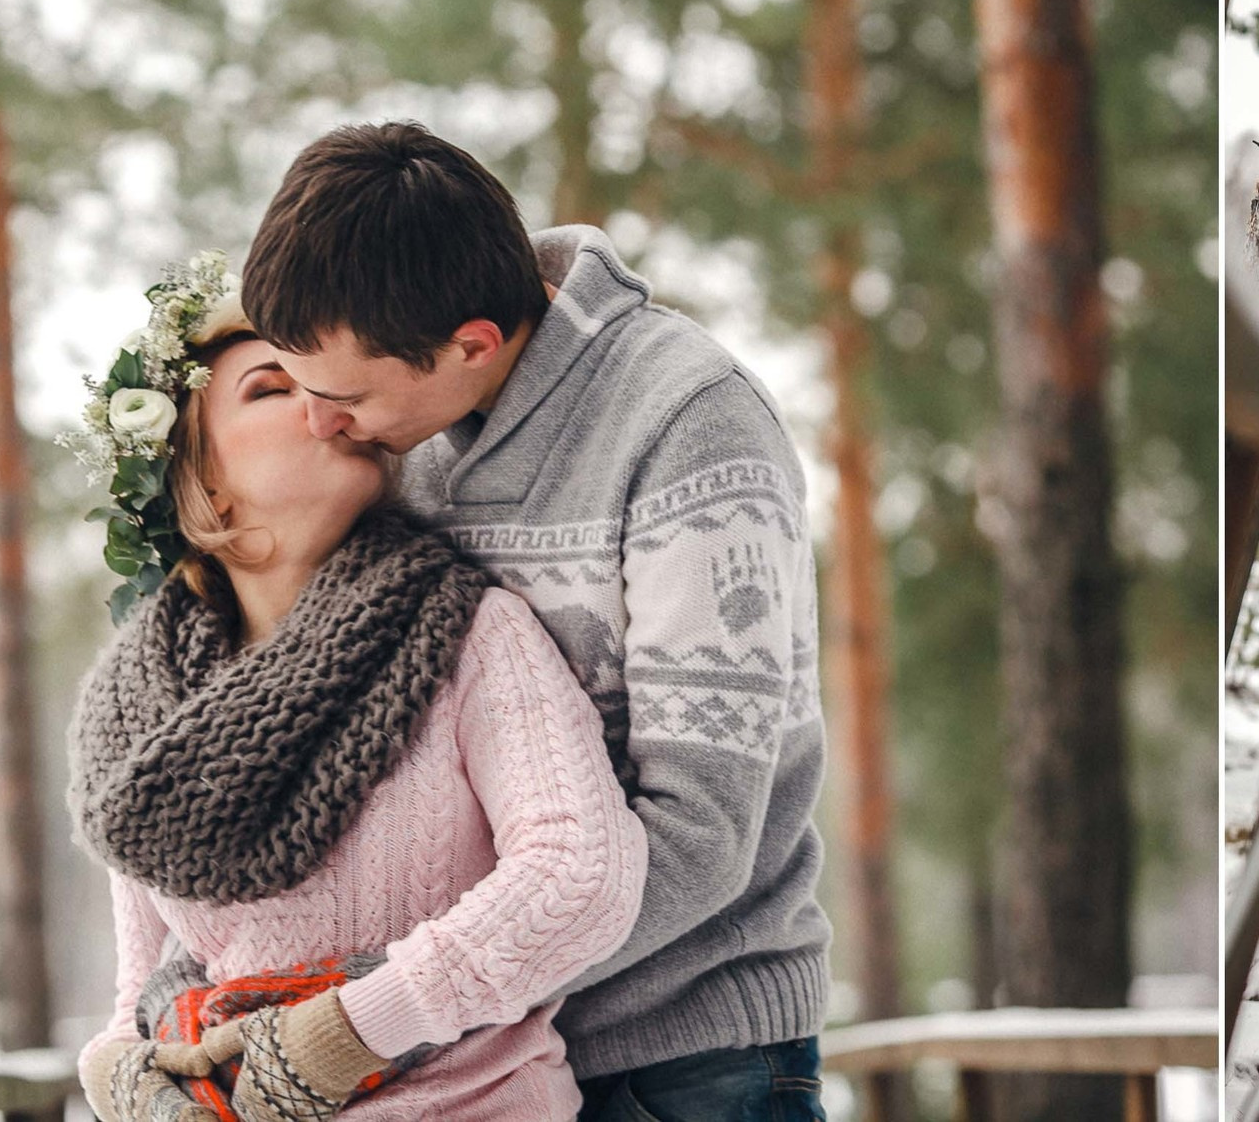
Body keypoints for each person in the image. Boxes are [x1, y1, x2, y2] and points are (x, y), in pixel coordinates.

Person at [239, 121, 831, 1121]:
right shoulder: (406, 438)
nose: (317, 424)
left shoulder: (688, 423)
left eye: (341, 396)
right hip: (472, 1072)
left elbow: (701, 831)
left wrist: (386, 1008)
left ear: (471, 344)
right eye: (293, 386)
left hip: (682, 1057)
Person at [65, 256, 649, 1121]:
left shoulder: (469, 631)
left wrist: (348, 1031)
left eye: (328, 381)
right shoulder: (136, 714)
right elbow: (144, 983)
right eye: (273, 387)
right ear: (197, 474)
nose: (325, 405)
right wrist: (117, 1071)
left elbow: (581, 876)